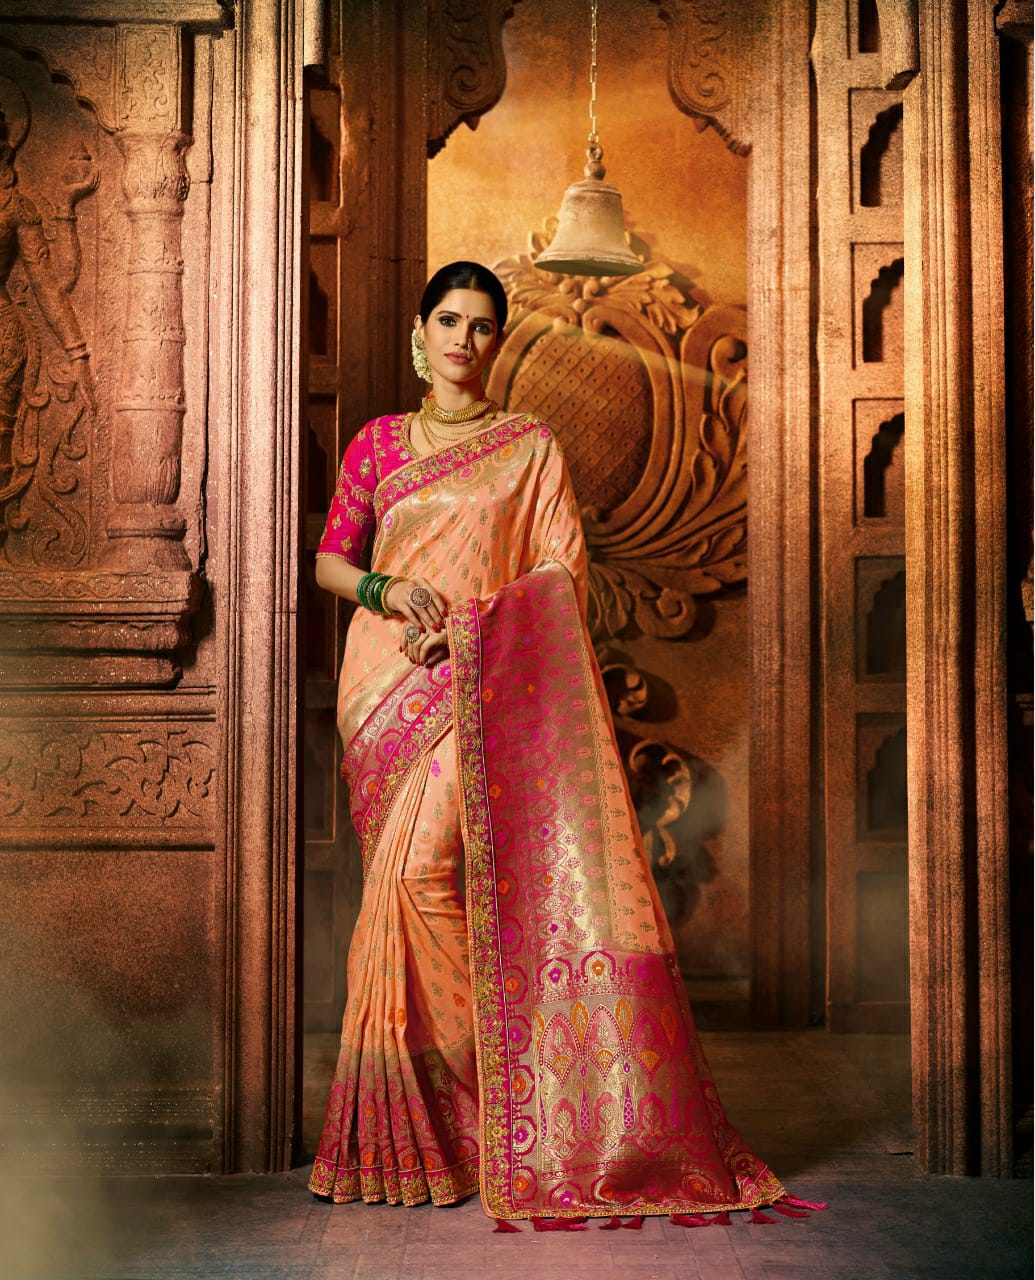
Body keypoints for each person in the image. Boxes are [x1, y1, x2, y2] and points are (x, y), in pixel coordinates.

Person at [308, 261, 821, 1229]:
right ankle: (435, 1131)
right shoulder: (378, 442)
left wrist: (466, 630)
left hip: (475, 678)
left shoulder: (528, 446)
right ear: (421, 332)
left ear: (497, 342)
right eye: (448, 320)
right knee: (394, 890)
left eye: (480, 325)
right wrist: (387, 590)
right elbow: (333, 560)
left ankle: (500, 1109)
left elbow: (560, 573)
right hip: (380, 685)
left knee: (424, 880)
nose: (463, 339)